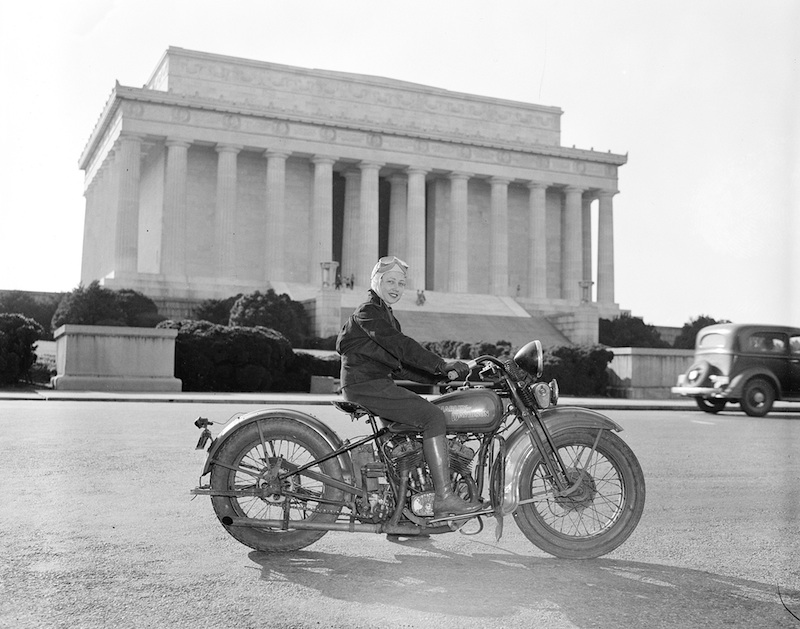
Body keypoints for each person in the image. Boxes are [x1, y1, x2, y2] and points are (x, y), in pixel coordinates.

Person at [336, 255, 483, 519]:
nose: (396, 287)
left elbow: (401, 366)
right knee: (432, 417)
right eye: (389, 281)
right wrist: (440, 363)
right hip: (366, 385)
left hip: (374, 382)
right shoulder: (369, 311)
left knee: (413, 429)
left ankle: (406, 510)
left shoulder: (385, 315)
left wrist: (441, 376)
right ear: (375, 282)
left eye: (401, 284)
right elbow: (402, 346)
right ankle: (443, 497)